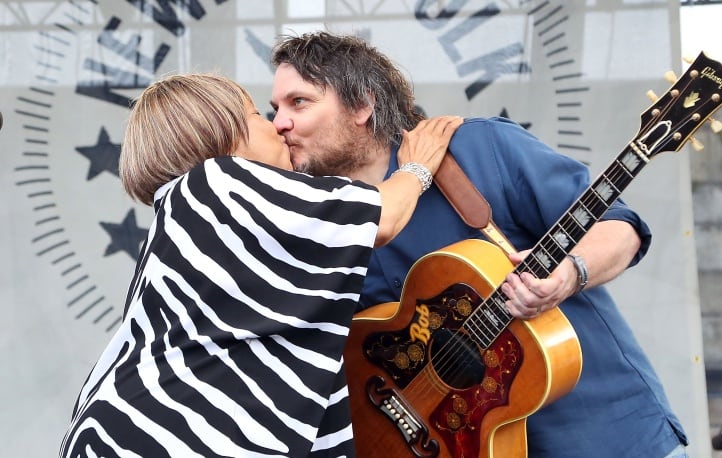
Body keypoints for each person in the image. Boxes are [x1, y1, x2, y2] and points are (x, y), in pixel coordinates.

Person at [270, 31, 689, 457]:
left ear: (362, 105)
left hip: (605, 433)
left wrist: (570, 273)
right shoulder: (317, 219)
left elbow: (621, 227)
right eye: (276, 109)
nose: (279, 123)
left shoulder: (479, 148)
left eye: (298, 102)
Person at [59, 72, 462, 457]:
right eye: (258, 115)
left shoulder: (181, 221)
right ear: (224, 133)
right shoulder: (217, 182)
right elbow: (383, 217)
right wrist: (417, 166)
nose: (278, 126)